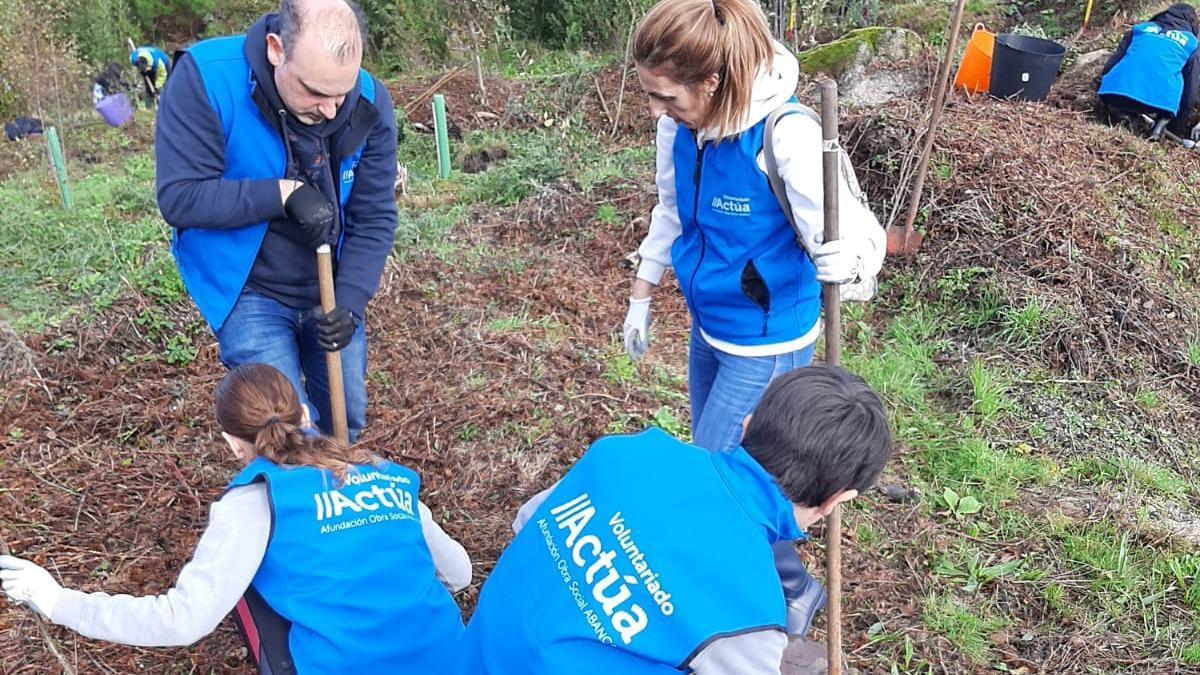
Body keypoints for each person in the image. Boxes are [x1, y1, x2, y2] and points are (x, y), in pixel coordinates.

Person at [618, 0, 885, 641]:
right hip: (710, 329)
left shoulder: (783, 136)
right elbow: (671, 211)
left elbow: (862, 237)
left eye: (665, 96)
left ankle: (728, 611)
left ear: (712, 82)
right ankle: (792, 588)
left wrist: (849, 258)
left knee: (716, 485)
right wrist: (642, 293)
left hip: (769, 342)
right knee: (739, 480)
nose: (655, 110)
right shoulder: (679, 129)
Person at [0, 363, 471, 674]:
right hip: (457, 660)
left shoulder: (255, 502)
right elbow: (459, 573)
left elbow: (183, 621)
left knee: (252, 589)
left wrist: (56, 601)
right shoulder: (385, 473)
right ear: (305, 413)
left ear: (231, 442)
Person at [451, 365, 893, 674]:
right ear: (837, 500)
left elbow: (527, 520)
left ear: (747, 425)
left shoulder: (623, 452)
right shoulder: (748, 613)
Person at [155, 0, 398, 442]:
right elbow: (181, 196)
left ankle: (340, 500)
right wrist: (281, 195)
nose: (329, 110)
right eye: (314, 92)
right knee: (285, 434)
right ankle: (292, 502)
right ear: (275, 50)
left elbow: (374, 214)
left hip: (330, 286)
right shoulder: (207, 78)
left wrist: (350, 299)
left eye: (339, 94)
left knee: (347, 422)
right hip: (250, 289)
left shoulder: (368, 101)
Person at [1097, 3, 1200, 141]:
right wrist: (1175, 129)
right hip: (1160, 103)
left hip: (1115, 94)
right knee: (1177, 76)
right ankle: (1159, 126)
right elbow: (1189, 92)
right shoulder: (1191, 43)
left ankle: (1123, 114)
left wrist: (1103, 89)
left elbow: (1111, 64)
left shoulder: (1139, 30)